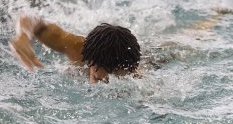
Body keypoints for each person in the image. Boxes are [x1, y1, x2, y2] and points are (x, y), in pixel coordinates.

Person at [9, 15, 141, 84]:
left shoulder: (137, 75)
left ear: (132, 70)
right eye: (98, 79)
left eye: (116, 80)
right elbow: (29, 20)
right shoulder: (77, 48)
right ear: (89, 61)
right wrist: (23, 37)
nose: (104, 87)